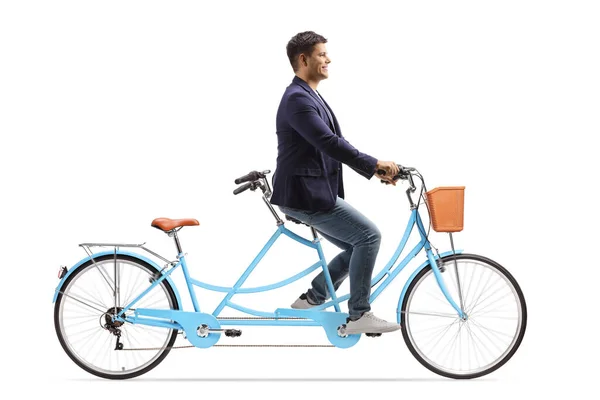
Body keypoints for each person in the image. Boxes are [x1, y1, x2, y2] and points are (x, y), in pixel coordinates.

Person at [270, 31, 401, 335]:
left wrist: (376, 170)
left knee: (360, 244)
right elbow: (328, 142)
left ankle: (314, 297)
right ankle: (359, 315)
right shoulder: (297, 99)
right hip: (304, 194)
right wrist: (373, 164)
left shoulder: (308, 95)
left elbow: (332, 144)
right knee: (368, 237)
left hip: (314, 190)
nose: (328, 59)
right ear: (303, 60)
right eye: (321, 54)